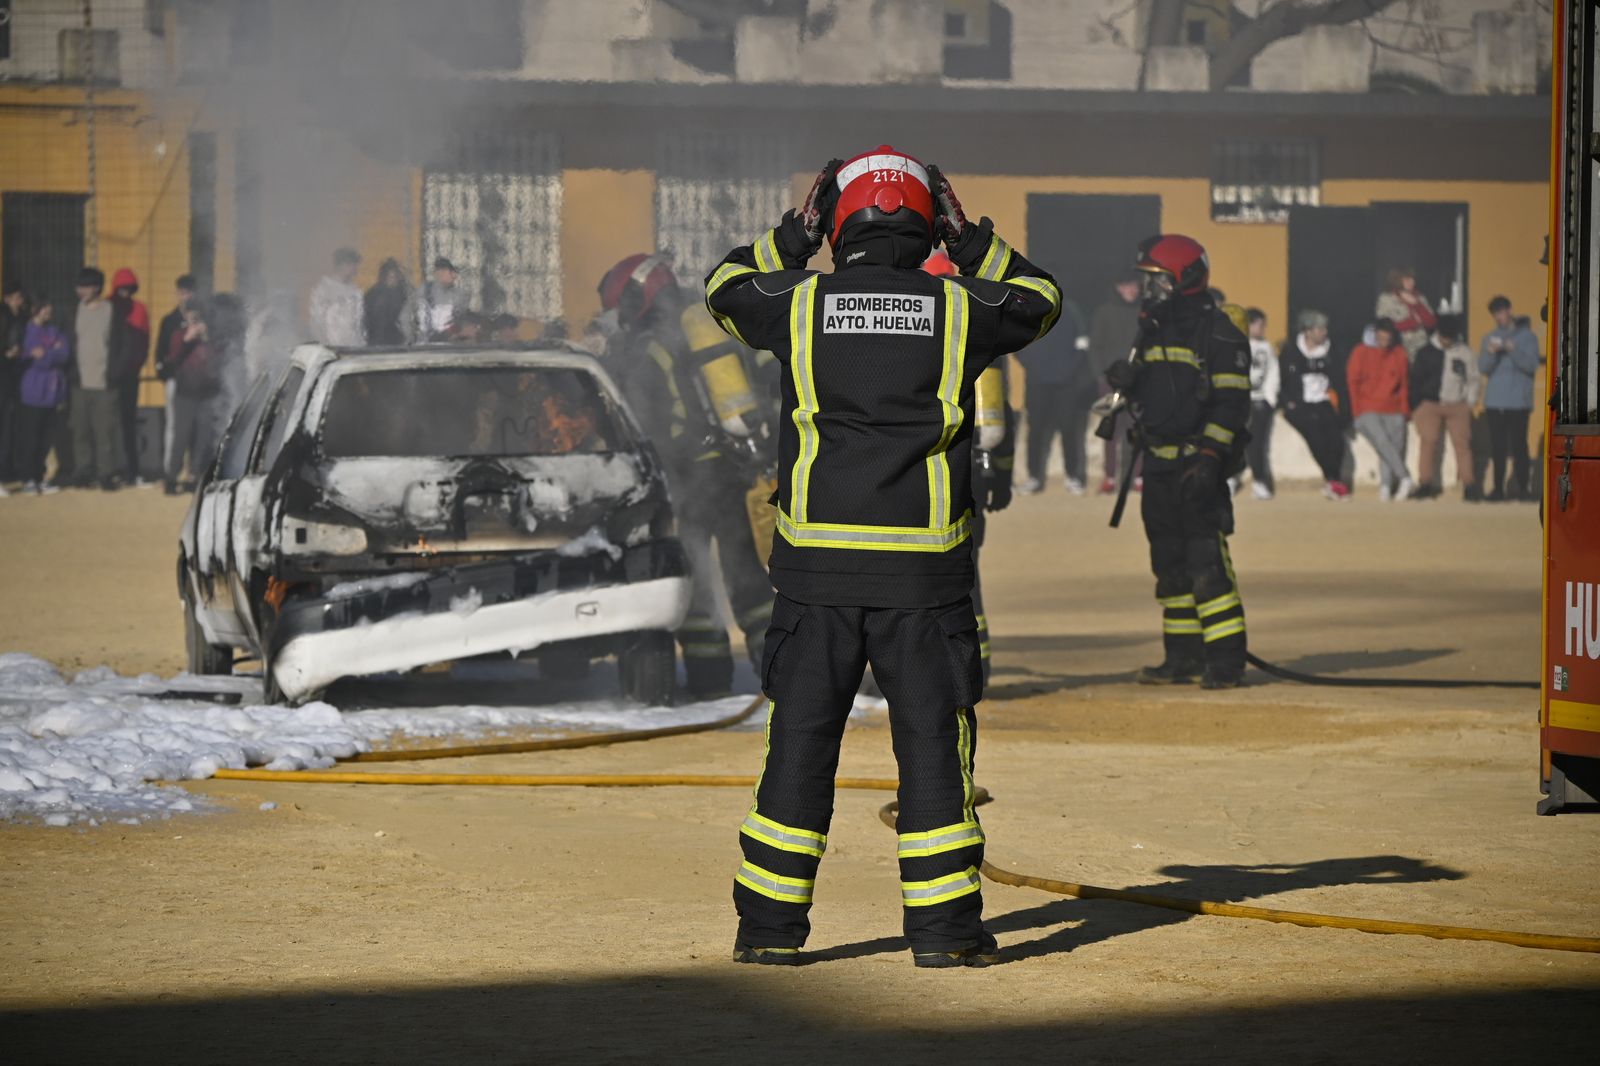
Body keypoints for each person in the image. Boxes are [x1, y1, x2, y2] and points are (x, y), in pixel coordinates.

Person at [705, 146, 1059, 968]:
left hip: (815, 579)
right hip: (924, 583)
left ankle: (767, 934)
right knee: (934, 752)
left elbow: (724, 289)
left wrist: (790, 238)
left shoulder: (797, 304)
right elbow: (1043, 301)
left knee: (797, 749)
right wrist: (974, 245)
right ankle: (942, 936)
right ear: (927, 225)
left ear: (838, 225)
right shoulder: (960, 308)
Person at [599, 253, 773, 698]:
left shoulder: (652, 346)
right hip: (732, 470)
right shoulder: (714, 324)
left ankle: (710, 679)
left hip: (686, 477)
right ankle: (783, 672)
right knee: (746, 575)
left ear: (640, 294)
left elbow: (645, 419)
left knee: (695, 581)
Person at [1103, 235, 1251, 690]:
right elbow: (1157, 395)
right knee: (1169, 566)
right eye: (1147, 282)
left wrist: (1209, 457)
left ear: (1185, 279)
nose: (1150, 291)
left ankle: (1225, 662)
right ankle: (1181, 657)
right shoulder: (1152, 328)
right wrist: (1127, 382)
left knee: (1207, 565)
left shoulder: (1219, 333)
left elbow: (1231, 405)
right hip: (1160, 469)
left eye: (1158, 281)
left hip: (1197, 468)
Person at [1014, 295, 1087, 494]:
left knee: (1069, 430)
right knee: (1035, 431)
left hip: (1066, 385)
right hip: (1037, 383)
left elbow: (1082, 344)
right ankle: (1033, 478)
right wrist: (1031, 365)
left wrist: (1070, 370)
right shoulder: (1028, 312)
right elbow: (1014, 341)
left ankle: (1073, 477)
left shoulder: (1070, 310)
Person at [1409, 314, 1481, 501]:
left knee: (1463, 445)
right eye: (1444, 336)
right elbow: (1415, 380)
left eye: (1450, 336)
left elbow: (1474, 379)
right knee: (1428, 443)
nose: (1446, 340)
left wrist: (1470, 402)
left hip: (1458, 405)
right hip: (1429, 405)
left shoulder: (1464, 352)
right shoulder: (1425, 352)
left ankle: (1469, 485)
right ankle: (1425, 483)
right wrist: (1416, 406)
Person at [1279, 309, 1350, 500]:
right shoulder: (1291, 351)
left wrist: (1343, 410)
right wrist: (1289, 403)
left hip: (1324, 402)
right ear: (1307, 331)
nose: (1323, 333)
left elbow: (1340, 383)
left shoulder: (1332, 351)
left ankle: (1333, 480)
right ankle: (1333, 480)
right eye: (1319, 329)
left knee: (1337, 441)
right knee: (1316, 439)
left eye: (1324, 329)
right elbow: (1283, 380)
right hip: (1300, 405)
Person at [1477, 296, 1542, 501]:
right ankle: (1498, 490)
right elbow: (1482, 368)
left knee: (1519, 446)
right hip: (1495, 402)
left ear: (1509, 310)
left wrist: (1513, 351)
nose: (1499, 316)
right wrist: (1491, 353)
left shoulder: (1527, 337)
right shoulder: (1490, 338)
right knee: (1498, 447)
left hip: (1518, 402)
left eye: (1501, 311)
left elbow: (1531, 365)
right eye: (1495, 313)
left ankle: (1523, 490)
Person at [69, 267, 126, 490]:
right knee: (80, 432)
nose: (80, 290)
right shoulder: (74, 311)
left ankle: (106, 474)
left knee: (105, 434)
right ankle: (83, 473)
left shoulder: (111, 311)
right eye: (79, 286)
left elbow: (122, 345)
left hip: (105, 383)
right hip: (80, 383)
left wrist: (116, 372)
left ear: (96, 287)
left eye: (84, 286)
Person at [1346, 318, 1415, 501]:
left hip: (1394, 409)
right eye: (1381, 337)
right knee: (1382, 441)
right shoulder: (1360, 352)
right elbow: (1352, 382)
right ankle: (1405, 477)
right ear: (1375, 335)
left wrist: (1404, 411)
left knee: (1392, 448)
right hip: (1367, 408)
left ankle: (1386, 486)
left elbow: (1403, 384)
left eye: (1388, 338)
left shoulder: (1399, 354)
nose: (1384, 342)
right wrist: (1356, 411)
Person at [1087, 275, 1143, 494]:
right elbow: (1095, 347)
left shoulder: (1145, 313)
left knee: (1138, 430)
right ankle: (1109, 478)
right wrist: (1101, 376)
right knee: (1110, 431)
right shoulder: (1104, 312)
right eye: (1127, 285)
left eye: (1135, 285)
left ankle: (1139, 479)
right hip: (1111, 383)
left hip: (1139, 382)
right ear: (1117, 287)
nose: (1132, 289)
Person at [165, 304, 223, 494]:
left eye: (198, 318)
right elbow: (173, 359)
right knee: (181, 438)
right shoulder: (178, 335)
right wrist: (187, 339)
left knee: (202, 438)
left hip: (206, 395)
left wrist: (206, 338)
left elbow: (219, 361)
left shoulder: (211, 337)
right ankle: (171, 478)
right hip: (185, 395)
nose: (195, 322)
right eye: (191, 318)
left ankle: (194, 476)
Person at [15, 296, 69, 495]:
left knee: (46, 438)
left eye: (49, 307)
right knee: (31, 437)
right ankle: (28, 478)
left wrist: (44, 353)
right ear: (35, 309)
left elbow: (64, 354)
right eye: (44, 308)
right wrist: (50, 353)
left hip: (52, 393)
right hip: (33, 392)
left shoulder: (53, 330)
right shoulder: (27, 331)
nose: (48, 311)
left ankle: (39, 477)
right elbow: (32, 359)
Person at [107, 268, 152, 485]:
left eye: (129, 288)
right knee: (109, 424)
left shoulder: (140, 309)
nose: (125, 292)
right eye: (122, 288)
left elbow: (144, 342)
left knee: (128, 423)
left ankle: (132, 471)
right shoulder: (107, 307)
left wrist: (136, 366)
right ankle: (110, 469)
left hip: (129, 376)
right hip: (108, 377)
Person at [155, 275, 198, 475]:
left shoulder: (203, 319)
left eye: (189, 292)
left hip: (197, 382)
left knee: (195, 427)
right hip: (175, 380)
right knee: (173, 426)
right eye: (181, 292)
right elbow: (160, 350)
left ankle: (193, 470)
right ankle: (170, 470)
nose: (185, 296)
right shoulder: (169, 320)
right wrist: (165, 374)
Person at [1242, 307, 1279, 500]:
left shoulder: (1267, 348)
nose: (1263, 329)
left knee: (1257, 443)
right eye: (1260, 325)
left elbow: (1273, 374)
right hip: (1238, 401)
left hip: (1260, 402)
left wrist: (1269, 399)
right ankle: (1229, 480)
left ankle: (1259, 481)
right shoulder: (1236, 345)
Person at [0, 281, 28, 493]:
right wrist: (7, 355)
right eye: (17, 297)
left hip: (13, 379)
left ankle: (9, 470)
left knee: (11, 428)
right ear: (8, 298)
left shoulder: (21, 318)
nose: (21, 301)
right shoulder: (4, 316)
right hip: (4, 376)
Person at [309, 247, 365, 348]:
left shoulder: (356, 292)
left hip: (353, 347)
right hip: (332, 347)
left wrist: (360, 344)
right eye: (353, 265)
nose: (356, 269)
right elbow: (317, 321)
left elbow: (358, 323)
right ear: (342, 265)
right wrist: (325, 345)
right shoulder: (324, 289)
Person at [1376, 268, 1437, 358]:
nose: (1411, 281)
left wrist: (1417, 305)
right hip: (1397, 350)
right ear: (1397, 280)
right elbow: (1385, 326)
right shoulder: (1386, 298)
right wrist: (1414, 323)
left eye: (1412, 278)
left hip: (1421, 350)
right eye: (1407, 279)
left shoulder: (1420, 298)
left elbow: (1431, 323)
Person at [363, 258, 414, 347]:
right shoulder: (374, 295)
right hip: (379, 341)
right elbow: (368, 321)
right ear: (384, 277)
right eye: (390, 277)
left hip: (400, 341)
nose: (393, 280)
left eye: (395, 277)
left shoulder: (405, 292)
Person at [418, 256, 467, 341]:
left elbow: (461, 320)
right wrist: (410, 338)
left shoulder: (460, 295)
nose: (454, 275)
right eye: (440, 270)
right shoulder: (425, 290)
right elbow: (407, 315)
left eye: (454, 272)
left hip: (449, 344)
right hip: (424, 345)